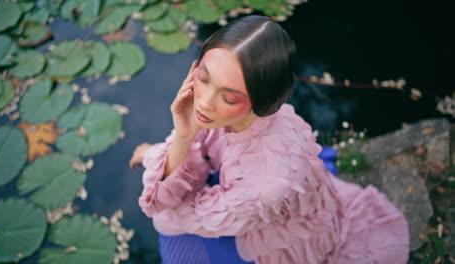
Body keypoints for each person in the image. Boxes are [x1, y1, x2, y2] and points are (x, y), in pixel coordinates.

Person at [130, 15, 410, 264]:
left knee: (176, 246)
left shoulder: (267, 183)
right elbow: (174, 183)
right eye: (203, 77)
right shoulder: (221, 113)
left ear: (262, 101)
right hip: (245, 194)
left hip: (273, 237)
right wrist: (184, 135)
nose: (203, 102)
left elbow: (165, 210)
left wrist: (158, 156)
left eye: (228, 97)